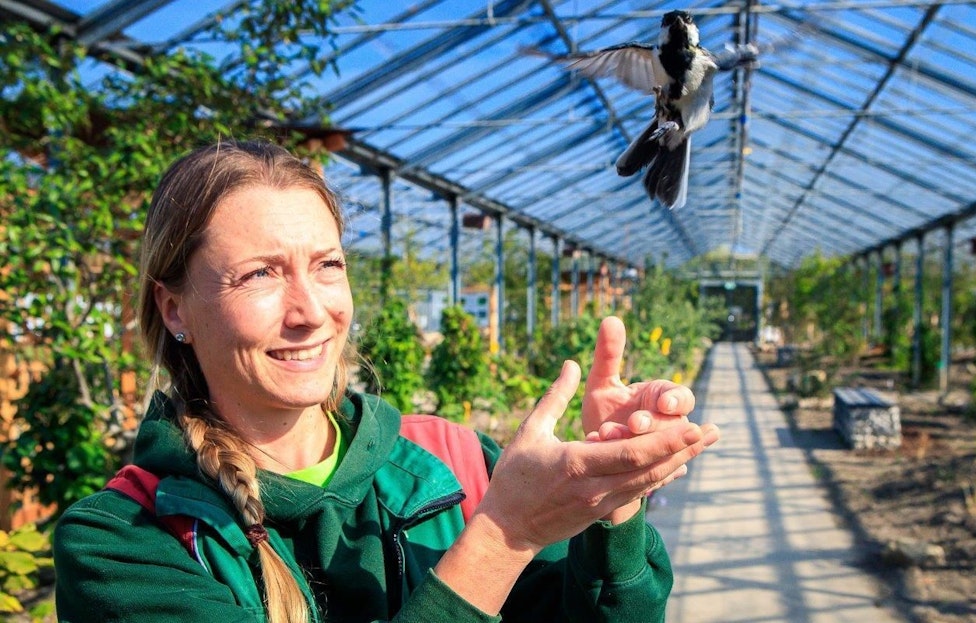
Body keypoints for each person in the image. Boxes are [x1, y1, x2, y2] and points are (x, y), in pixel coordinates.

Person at [53, 139, 720, 622]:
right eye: (260, 274)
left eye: (327, 264)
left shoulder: (452, 468)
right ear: (175, 309)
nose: (310, 310)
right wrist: (500, 538)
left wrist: (611, 504)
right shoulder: (128, 541)